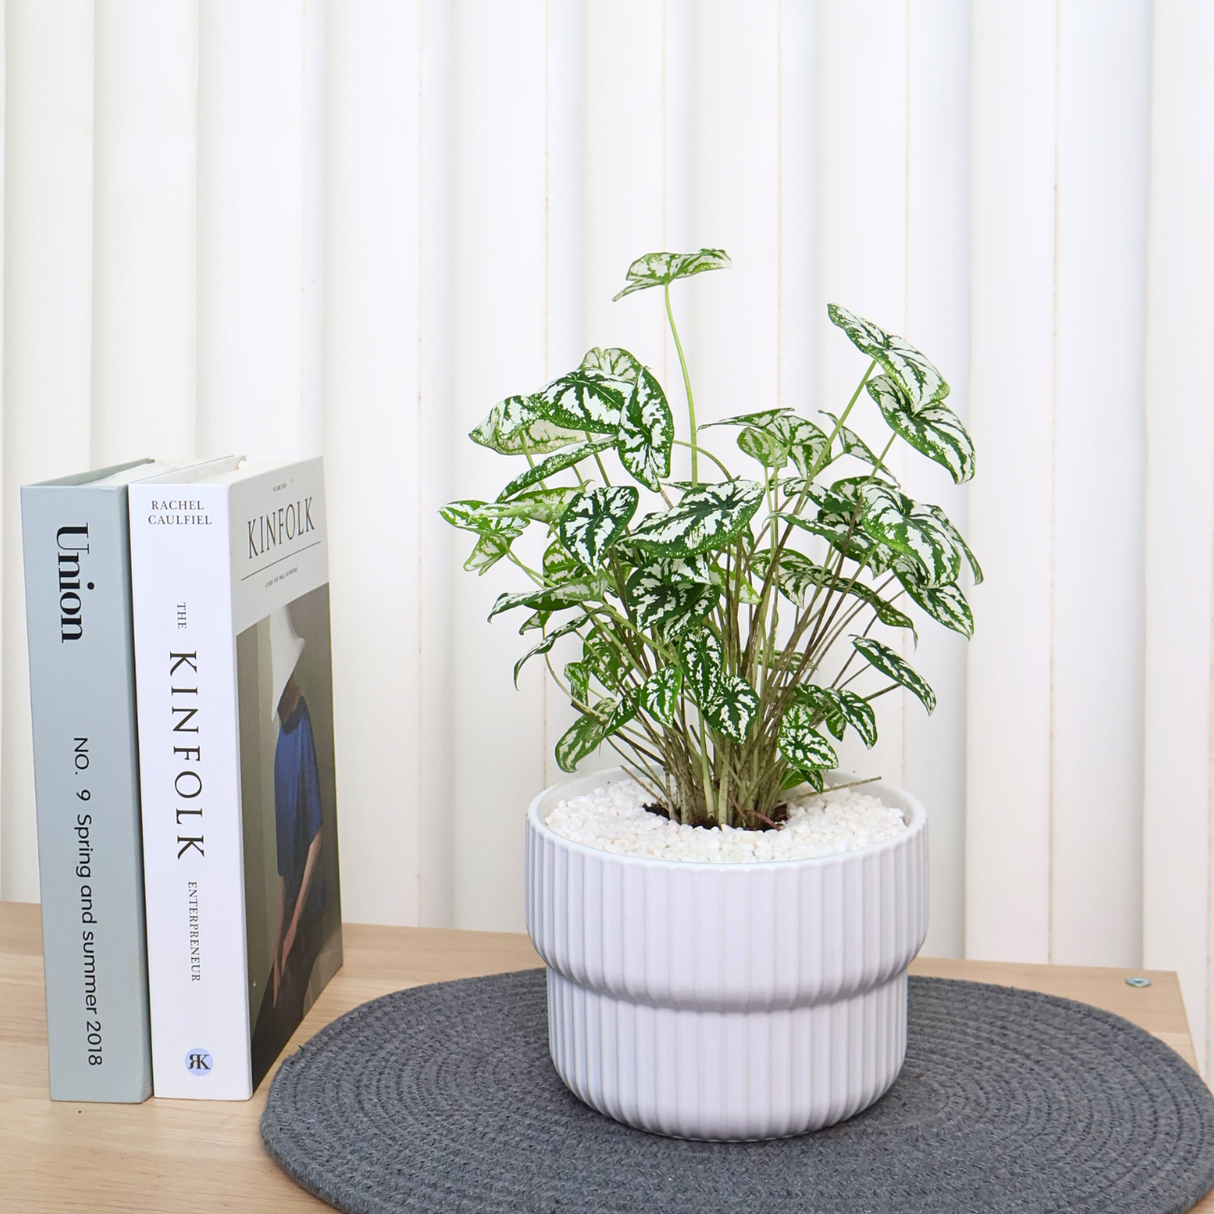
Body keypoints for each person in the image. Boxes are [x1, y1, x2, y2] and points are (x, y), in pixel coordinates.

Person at [251, 610, 325, 1084]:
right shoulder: (277, 740)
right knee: (271, 1004)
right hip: (288, 897)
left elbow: (316, 831)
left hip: (310, 897)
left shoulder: (302, 725)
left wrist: (295, 924)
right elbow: (281, 861)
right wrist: (279, 938)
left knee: (291, 999)